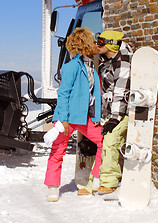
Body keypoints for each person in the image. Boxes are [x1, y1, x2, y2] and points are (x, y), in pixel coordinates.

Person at [43, 27, 103, 202]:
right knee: (57, 151)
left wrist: (96, 118)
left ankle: (96, 177)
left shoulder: (91, 65)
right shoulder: (70, 67)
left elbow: (94, 96)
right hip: (67, 118)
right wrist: (63, 120)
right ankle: (53, 188)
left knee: (103, 141)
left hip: (85, 117)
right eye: (92, 41)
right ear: (84, 44)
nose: (95, 44)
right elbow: (63, 94)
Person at [96, 30, 133, 195]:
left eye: (101, 42)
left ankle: (109, 182)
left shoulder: (123, 61)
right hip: (110, 112)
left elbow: (120, 91)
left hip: (122, 112)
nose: (98, 45)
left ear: (111, 43)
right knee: (106, 141)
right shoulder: (108, 60)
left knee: (110, 141)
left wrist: (115, 118)